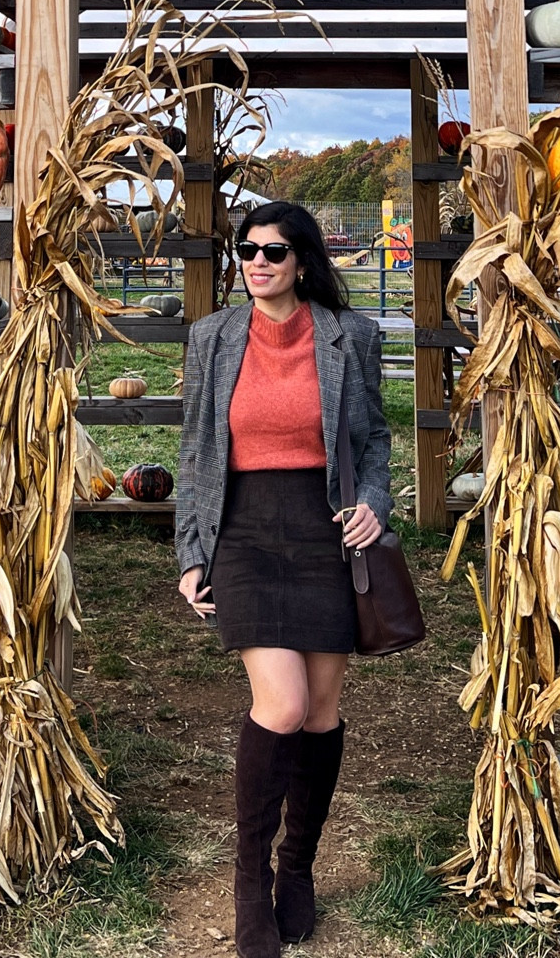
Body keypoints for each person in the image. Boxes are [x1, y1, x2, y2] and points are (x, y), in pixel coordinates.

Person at [176, 200, 391, 957]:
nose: (257, 262)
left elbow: (373, 442)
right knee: (284, 701)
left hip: (323, 529)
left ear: (302, 260)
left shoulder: (350, 336)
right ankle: (248, 881)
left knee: (323, 710)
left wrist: (371, 504)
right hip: (243, 531)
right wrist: (190, 553)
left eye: (273, 250)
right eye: (247, 249)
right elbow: (195, 449)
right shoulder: (212, 337)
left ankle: (296, 868)